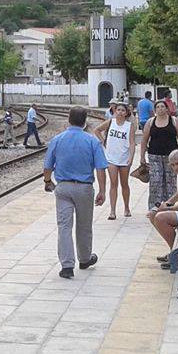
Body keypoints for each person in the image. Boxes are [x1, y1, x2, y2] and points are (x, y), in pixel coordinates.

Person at [42, 107, 107, 278]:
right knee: (84, 226)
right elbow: (101, 168)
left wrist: (48, 181)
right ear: (85, 121)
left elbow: (47, 166)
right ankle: (85, 258)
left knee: (64, 226)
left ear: (68, 120)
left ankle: (67, 265)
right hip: (84, 188)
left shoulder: (57, 139)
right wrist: (102, 190)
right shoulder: (92, 141)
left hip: (63, 187)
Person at [135, 99, 178, 209]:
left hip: (171, 157)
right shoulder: (150, 122)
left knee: (170, 182)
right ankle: (154, 207)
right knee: (156, 181)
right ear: (155, 110)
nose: (160, 109)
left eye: (162, 107)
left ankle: (169, 205)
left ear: (167, 109)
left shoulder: (174, 121)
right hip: (154, 156)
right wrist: (142, 156)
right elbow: (144, 140)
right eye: (158, 107)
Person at [92, 102, 134, 219]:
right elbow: (97, 130)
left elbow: (131, 142)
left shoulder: (129, 126)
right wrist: (103, 141)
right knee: (113, 183)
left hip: (124, 157)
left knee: (124, 184)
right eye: (118, 110)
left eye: (122, 110)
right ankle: (112, 211)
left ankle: (126, 207)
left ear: (126, 113)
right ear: (115, 111)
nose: (120, 112)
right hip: (111, 158)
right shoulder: (111, 122)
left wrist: (131, 157)